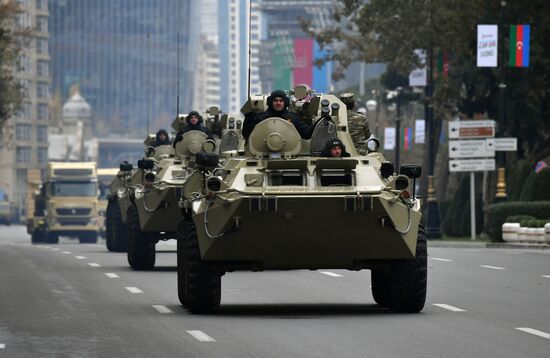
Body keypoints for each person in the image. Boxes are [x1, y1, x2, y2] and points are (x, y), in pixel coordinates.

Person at [243, 90, 311, 139]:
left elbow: (306, 134)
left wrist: (319, 121)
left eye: (281, 100)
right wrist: (248, 117)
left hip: (288, 153)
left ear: (285, 103)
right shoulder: (261, 118)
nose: (278, 103)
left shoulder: (293, 118)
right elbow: (247, 134)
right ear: (271, 102)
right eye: (275, 100)